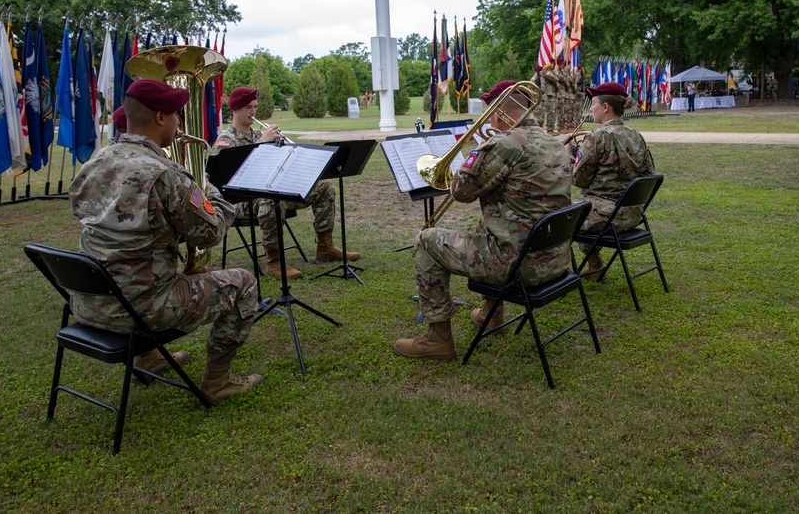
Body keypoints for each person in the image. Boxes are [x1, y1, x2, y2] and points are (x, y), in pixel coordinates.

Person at [69, 78, 262, 403]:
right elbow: (212, 231)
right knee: (243, 284)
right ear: (161, 118)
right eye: (176, 115)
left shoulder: (95, 162)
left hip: (87, 303)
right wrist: (208, 188)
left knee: (173, 274)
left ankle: (149, 358)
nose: (178, 123)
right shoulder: (164, 174)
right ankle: (217, 382)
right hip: (140, 309)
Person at [394, 80, 573, 362]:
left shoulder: (504, 144)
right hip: (555, 259)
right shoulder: (556, 143)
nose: (488, 118)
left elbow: (461, 192)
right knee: (485, 225)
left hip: (519, 265)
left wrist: (486, 148)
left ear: (500, 110)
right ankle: (491, 315)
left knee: (426, 241)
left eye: (491, 110)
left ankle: (437, 339)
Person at [214, 87, 358, 279]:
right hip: (243, 200)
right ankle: (274, 261)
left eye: (255, 106)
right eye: (248, 107)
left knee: (325, 186)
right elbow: (233, 175)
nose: (253, 112)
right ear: (235, 109)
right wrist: (262, 144)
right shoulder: (225, 140)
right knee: (271, 201)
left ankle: (325, 247)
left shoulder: (259, 134)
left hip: (272, 191)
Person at [567, 82, 655, 280]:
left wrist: (567, 157)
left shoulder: (597, 137)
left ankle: (558, 274)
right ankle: (595, 267)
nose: (591, 108)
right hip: (633, 214)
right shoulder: (636, 135)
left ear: (605, 107)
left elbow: (578, 180)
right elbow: (649, 174)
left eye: (593, 103)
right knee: (584, 207)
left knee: (561, 214)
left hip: (607, 218)